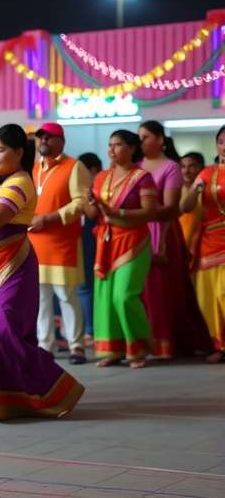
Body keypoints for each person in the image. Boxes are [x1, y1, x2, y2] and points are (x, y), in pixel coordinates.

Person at [0, 124, 84, 419]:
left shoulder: (20, 182)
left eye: (0, 150)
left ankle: (56, 389)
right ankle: (0, 400)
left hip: (11, 266)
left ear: (18, 152)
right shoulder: (0, 183)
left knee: (4, 331)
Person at [138, 121, 210, 359]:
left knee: (165, 290)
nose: (142, 142)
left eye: (146, 137)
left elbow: (171, 209)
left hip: (165, 233)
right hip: (138, 233)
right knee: (142, 289)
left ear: (160, 140)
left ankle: (169, 343)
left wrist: (133, 213)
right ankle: (144, 342)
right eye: (139, 137)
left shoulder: (170, 167)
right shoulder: (136, 167)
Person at [85, 130, 158, 369]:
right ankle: (113, 350)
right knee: (104, 297)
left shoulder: (142, 177)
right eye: (110, 144)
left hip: (133, 241)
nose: (112, 149)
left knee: (124, 295)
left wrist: (119, 213)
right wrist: (88, 202)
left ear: (132, 148)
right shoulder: (101, 177)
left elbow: (150, 212)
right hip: (105, 241)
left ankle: (138, 348)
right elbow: (94, 215)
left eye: (118, 145)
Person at [29, 122, 92, 365]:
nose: (43, 140)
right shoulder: (33, 169)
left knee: (66, 295)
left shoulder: (74, 167)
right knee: (40, 298)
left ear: (61, 141)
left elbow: (80, 204)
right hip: (34, 244)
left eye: (49, 137)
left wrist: (49, 218)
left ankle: (76, 345)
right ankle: (45, 346)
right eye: (40, 137)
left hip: (62, 243)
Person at [181, 125, 225, 362]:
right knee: (208, 296)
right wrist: (195, 190)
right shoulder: (206, 174)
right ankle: (218, 346)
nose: (224, 145)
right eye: (221, 140)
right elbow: (184, 208)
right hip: (209, 243)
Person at [77, 152, 103, 344]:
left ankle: (90, 329)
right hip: (84, 237)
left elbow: (92, 214)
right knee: (83, 286)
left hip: (93, 237)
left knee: (86, 286)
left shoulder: (94, 189)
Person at [179, 151, 205, 259]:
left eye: (191, 166)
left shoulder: (208, 192)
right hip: (180, 247)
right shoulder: (174, 191)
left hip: (203, 247)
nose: (186, 171)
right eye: (182, 166)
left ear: (202, 168)